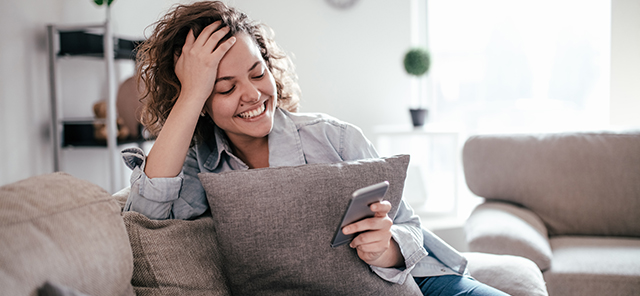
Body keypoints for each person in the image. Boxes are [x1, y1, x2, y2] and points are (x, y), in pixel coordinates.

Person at [121, 1, 508, 295]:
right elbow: (143, 216)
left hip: (416, 281)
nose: (253, 94)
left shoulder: (335, 138)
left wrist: (386, 248)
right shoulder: (195, 166)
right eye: (224, 87)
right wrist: (192, 92)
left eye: (258, 73)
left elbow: (409, 226)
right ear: (199, 100)